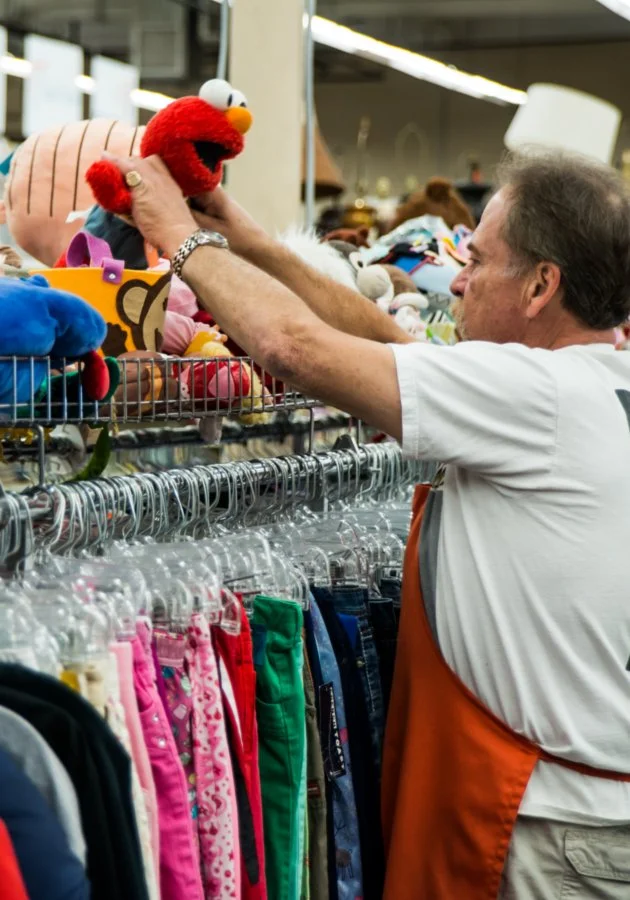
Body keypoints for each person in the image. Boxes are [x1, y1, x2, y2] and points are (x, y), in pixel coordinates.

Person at [107, 147, 630, 899]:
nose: (458, 279)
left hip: (552, 832)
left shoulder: (535, 398)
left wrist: (180, 238)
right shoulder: (588, 385)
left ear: (543, 285)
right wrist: (249, 244)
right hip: (587, 815)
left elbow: (297, 349)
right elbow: (395, 354)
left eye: (478, 260)